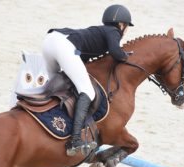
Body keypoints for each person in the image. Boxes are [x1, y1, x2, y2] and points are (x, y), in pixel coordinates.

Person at [42, 4, 134, 156]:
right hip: (63, 45)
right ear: (121, 24)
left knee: (55, 86)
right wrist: (127, 56)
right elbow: (115, 52)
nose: (125, 30)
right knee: (88, 92)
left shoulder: (98, 32)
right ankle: (75, 140)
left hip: (49, 40)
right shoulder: (113, 31)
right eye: (126, 27)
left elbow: (83, 58)